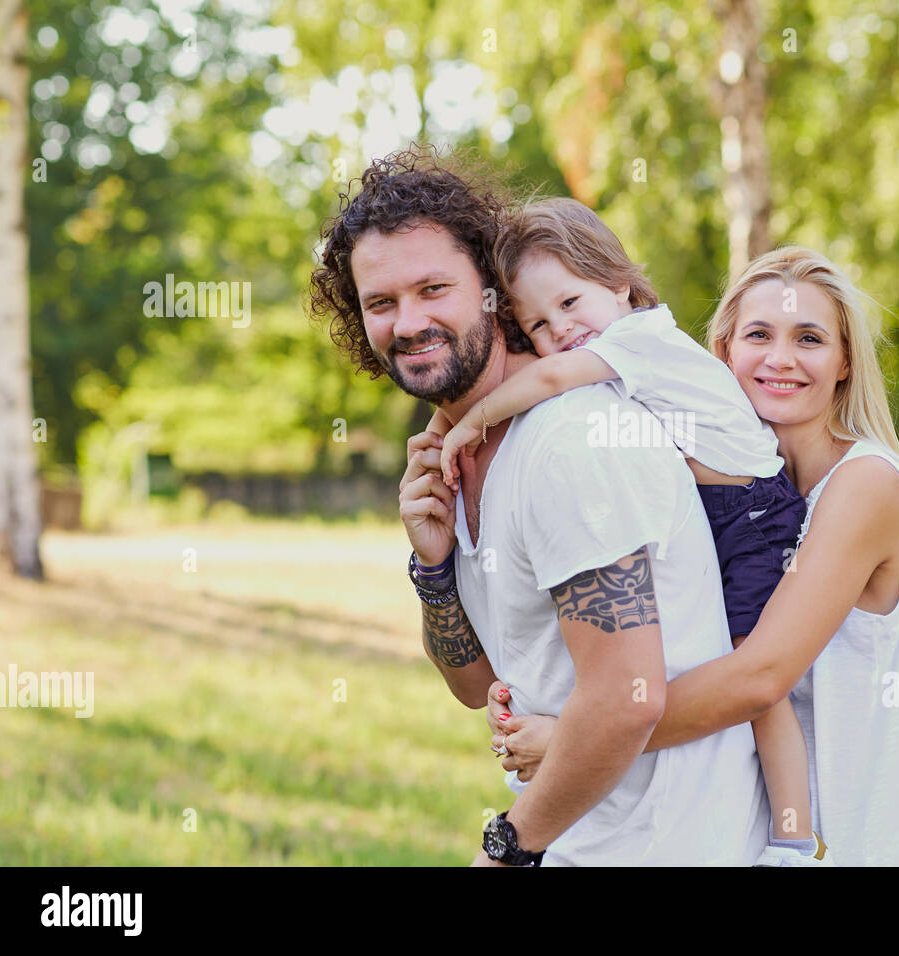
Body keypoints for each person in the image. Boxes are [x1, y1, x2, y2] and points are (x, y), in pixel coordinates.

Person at [308, 145, 768, 865]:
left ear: (492, 288)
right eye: (381, 302)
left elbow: (627, 695)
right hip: (584, 842)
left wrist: (507, 850)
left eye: (435, 289)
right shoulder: (463, 449)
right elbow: (479, 686)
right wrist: (433, 566)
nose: (408, 321)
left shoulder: (570, 439)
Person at [485, 246, 899, 866]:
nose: (780, 359)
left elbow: (759, 677)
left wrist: (574, 739)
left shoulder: (866, 484)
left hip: (858, 843)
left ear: (845, 362)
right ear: (724, 352)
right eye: (758, 335)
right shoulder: (721, 486)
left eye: (810, 339)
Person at [434, 197, 824, 865]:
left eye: (571, 302)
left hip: (752, 521)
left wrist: (461, 422)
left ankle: (793, 840)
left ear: (620, 284)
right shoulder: (617, 354)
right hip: (724, 512)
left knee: (756, 682)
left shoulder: (639, 340)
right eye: (538, 321)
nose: (561, 328)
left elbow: (553, 375)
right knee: (739, 672)